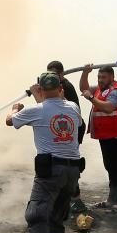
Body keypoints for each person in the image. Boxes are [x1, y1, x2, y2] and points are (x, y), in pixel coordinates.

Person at [7, 71, 85, 233]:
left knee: (36, 215)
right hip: (72, 172)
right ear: (61, 89)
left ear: (40, 90)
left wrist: (15, 109)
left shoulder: (37, 110)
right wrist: (40, 96)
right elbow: (53, 109)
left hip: (51, 171)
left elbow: (9, 121)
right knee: (55, 217)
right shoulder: (73, 108)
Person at [80, 65, 117, 212]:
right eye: (99, 77)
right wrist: (85, 73)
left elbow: (108, 107)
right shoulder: (100, 88)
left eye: (104, 77)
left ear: (112, 77)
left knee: (113, 166)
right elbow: (84, 88)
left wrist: (90, 97)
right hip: (106, 134)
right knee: (110, 165)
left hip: (116, 134)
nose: (101, 80)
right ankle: (111, 199)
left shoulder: (116, 91)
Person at [44, 60, 88, 214]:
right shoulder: (57, 85)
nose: (51, 78)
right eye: (49, 75)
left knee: (68, 163)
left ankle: (76, 200)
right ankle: (68, 197)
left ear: (61, 74)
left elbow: (56, 107)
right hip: (66, 127)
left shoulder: (65, 87)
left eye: (54, 75)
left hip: (72, 128)